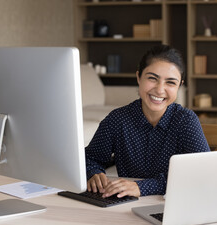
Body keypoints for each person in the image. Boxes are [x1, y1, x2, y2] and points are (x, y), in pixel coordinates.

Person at [85, 45, 210, 198]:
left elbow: (201, 172)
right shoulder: (117, 119)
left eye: (170, 82)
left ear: (179, 85)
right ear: (139, 77)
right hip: (126, 204)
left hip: (174, 204)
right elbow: (91, 158)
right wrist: (94, 172)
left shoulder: (186, 121)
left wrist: (142, 187)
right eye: (152, 78)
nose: (159, 89)